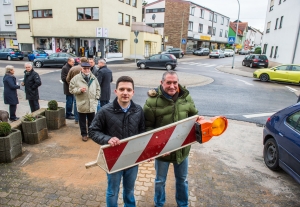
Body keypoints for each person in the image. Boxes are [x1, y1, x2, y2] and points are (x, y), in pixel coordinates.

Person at [143, 71, 198, 207]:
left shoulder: (187, 98)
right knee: (160, 181)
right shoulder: (151, 102)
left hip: (182, 150)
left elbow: (194, 118)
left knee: (182, 180)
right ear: (162, 83)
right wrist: (158, 147)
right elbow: (147, 128)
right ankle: (159, 204)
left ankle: (183, 204)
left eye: (175, 82)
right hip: (162, 153)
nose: (172, 86)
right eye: (168, 82)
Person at [89, 76, 145, 207]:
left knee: (129, 191)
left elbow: (142, 132)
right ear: (116, 91)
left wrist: (144, 152)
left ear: (133, 92)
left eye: (128, 90)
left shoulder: (138, 110)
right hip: (113, 159)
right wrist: (107, 139)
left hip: (132, 159)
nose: (125, 92)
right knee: (112, 192)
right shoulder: (105, 111)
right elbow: (93, 131)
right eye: (122, 89)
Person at [69, 62, 100, 142]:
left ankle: (91, 133)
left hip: (92, 103)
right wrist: (79, 90)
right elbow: (71, 89)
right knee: (82, 121)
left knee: (92, 120)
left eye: (88, 68)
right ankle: (84, 134)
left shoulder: (93, 78)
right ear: (81, 69)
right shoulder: (76, 78)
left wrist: (97, 97)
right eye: (85, 68)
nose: (86, 70)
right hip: (82, 103)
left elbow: (98, 88)